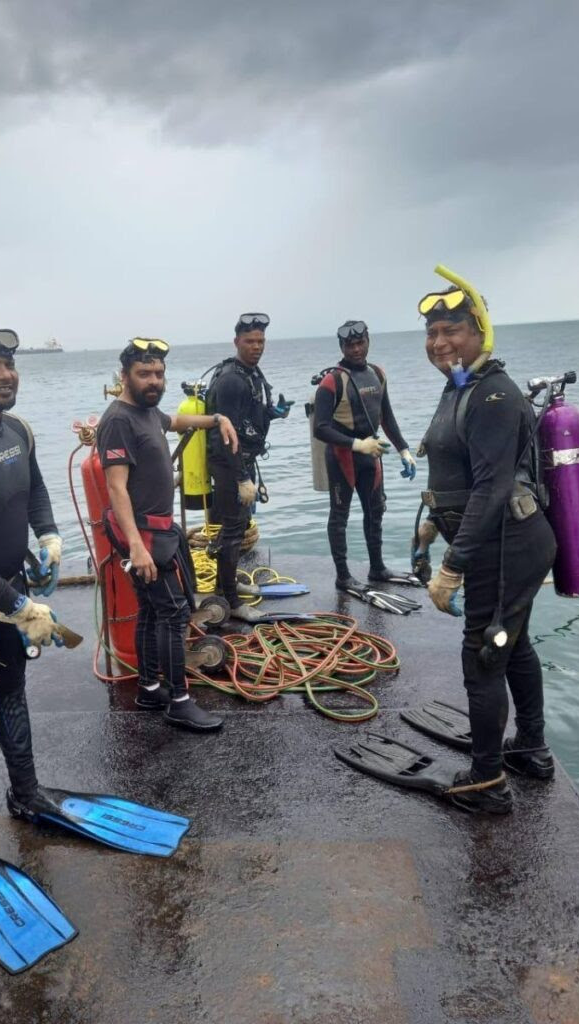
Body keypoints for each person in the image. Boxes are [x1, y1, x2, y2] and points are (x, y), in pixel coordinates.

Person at [0, 327, 187, 969]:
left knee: (12, 696)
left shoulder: (17, 431)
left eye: (9, 363)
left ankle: (27, 794)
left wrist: (51, 537)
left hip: (8, 603)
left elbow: (34, 491)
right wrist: (21, 608)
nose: (4, 374)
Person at [412, 285, 557, 812]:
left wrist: (451, 567)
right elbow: (458, 470)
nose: (439, 341)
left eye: (452, 330)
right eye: (431, 333)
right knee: (512, 644)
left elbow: (493, 487)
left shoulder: (494, 395)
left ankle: (486, 782)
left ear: (481, 332)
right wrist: (434, 523)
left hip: (508, 545)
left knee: (484, 656)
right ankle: (532, 751)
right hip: (501, 541)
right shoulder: (459, 387)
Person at [97, 337, 239, 732]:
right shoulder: (119, 420)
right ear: (124, 376)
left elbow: (176, 422)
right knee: (175, 613)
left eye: (159, 373)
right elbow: (116, 488)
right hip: (142, 537)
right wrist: (137, 547)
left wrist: (216, 419)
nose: (154, 380)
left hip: (159, 534)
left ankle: (149, 687)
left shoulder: (148, 413)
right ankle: (178, 701)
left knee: (150, 610)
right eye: (144, 374)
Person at [312, 319, 417, 592]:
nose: (356, 349)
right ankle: (343, 576)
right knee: (340, 516)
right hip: (343, 458)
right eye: (350, 345)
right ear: (341, 346)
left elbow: (387, 417)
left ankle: (378, 568)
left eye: (360, 343)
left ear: (368, 341)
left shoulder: (377, 374)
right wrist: (358, 445)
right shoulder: (332, 381)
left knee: (376, 511)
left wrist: (404, 449)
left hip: (371, 458)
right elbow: (320, 428)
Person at [204, 312, 293, 621]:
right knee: (232, 531)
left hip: (243, 460)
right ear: (236, 342)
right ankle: (231, 602)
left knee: (239, 527)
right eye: (250, 341)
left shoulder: (251, 373)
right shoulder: (231, 379)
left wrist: (273, 413)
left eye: (261, 341)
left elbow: (250, 418)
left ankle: (225, 585)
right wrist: (241, 477)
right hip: (229, 463)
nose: (257, 347)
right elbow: (226, 433)